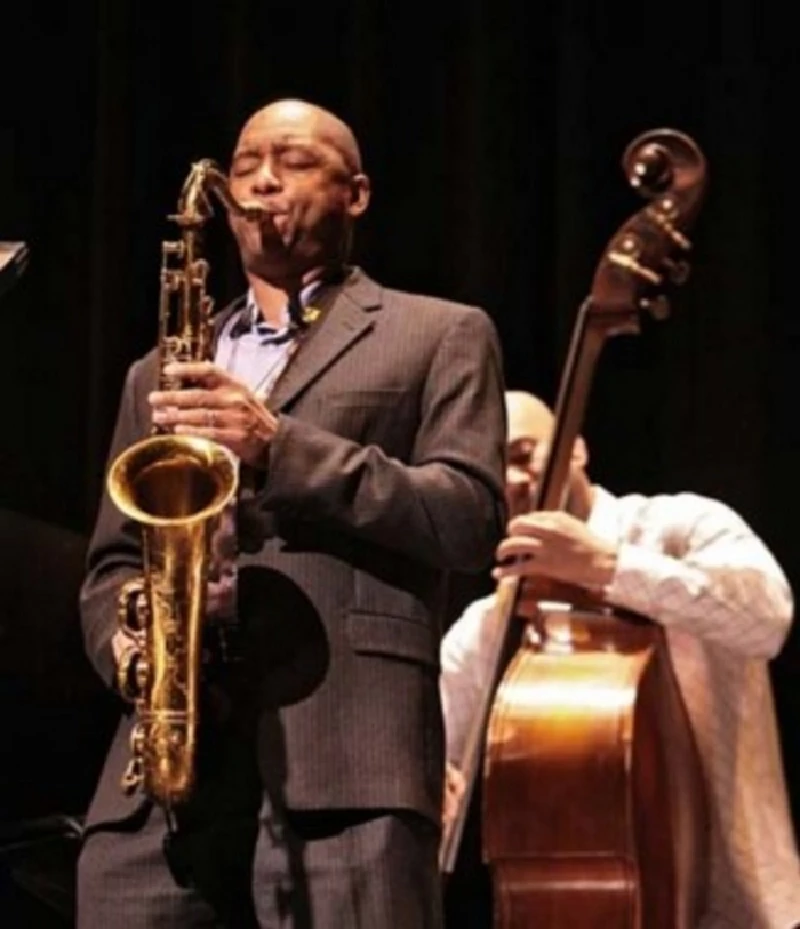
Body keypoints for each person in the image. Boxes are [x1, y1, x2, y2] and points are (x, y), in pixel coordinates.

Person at [77, 98, 507, 929]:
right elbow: (110, 563)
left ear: (358, 193)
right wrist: (129, 649)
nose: (264, 180)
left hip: (348, 757)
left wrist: (279, 447)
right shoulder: (159, 370)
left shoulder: (441, 333)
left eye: (296, 162)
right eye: (245, 166)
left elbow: (469, 516)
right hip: (172, 763)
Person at [441, 389, 800, 929]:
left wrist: (607, 567)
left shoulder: (680, 528)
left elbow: (767, 617)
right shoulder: (488, 625)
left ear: (576, 448)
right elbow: (432, 744)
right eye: (494, 470)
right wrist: (433, 782)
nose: (512, 482)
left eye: (521, 454)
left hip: (738, 900)